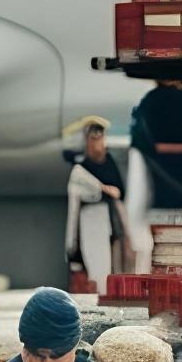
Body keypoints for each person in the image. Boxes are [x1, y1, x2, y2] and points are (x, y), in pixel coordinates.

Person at [63, 116, 134, 280]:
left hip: (114, 223)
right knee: (99, 273)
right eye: (92, 133)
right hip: (94, 221)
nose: (97, 138)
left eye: (100, 133)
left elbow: (120, 192)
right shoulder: (80, 167)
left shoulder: (111, 161)